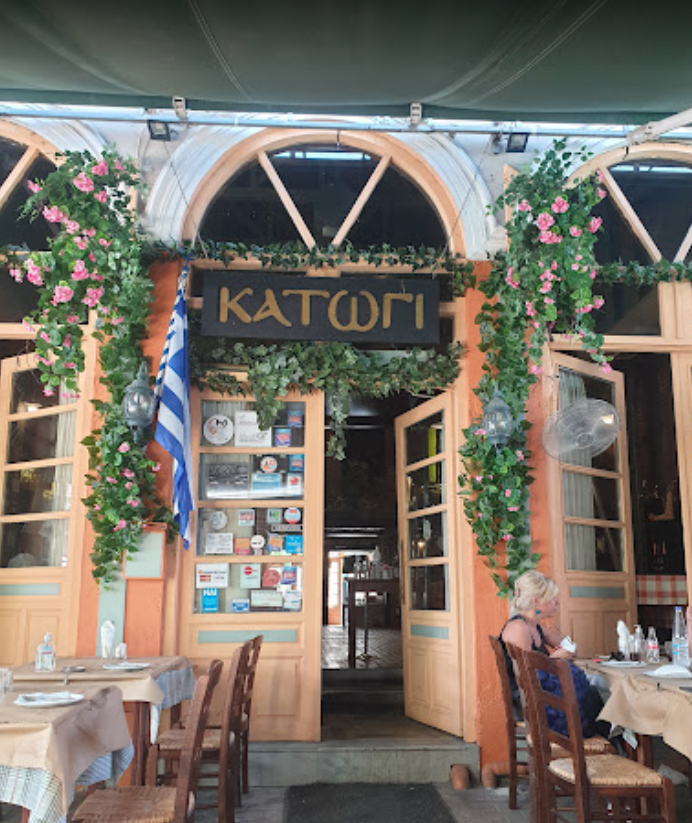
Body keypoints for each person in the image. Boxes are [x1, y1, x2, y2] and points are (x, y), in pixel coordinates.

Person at [500, 570, 606, 738]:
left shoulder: (535, 626)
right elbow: (526, 676)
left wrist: (566, 650)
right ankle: (611, 744)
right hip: (532, 703)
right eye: (551, 599)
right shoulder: (518, 629)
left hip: (542, 695)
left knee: (597, 692)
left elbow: (569, 647)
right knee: (596, 696)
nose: (556, 603)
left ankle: (615, 742)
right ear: (536, 601)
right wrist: (557, 657)